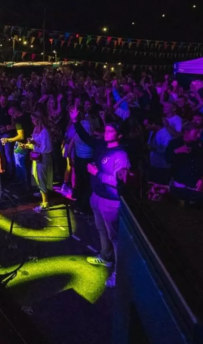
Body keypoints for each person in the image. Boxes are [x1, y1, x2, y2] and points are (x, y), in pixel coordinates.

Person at [71, 107, 129, 289]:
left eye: (111, 131)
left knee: (115, 238)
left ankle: (119, 275)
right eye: (106, 129)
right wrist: (75, 121)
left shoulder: (121, 155)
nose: (107, 132)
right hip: (97, 196)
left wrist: (97, 173)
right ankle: (106, 257)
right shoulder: (101, 145)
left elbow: (120, 183)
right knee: (101, 229)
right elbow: (87, 138)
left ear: (119, 135)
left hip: (110, 201)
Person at [166, 123, 203, 207]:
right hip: (179, 181)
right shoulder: (175, 143)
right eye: (196, 133)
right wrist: (176, 151)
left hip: (195, 183)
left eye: (200, 133)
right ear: (186, 132)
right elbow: (167, 159)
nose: (199, 135)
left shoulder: (202, 145)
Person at [23, 111, 54, 212]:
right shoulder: (36, 129)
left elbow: (46, 148)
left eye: (33, 119)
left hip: (43, 157)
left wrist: (34, 142)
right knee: (37, 177)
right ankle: (42, 194)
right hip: (37, 156)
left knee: (42, 179)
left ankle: (45, 203)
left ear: (38, 119)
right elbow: (35, 144)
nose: (32, 121)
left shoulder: (44, 131)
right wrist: (26, 145)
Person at [1, 104, 33, 187]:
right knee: (26, 164)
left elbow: (21, 136)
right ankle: (27, 182)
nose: (11, 116)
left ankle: (23, 182)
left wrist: (8, 140)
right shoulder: (27, 115)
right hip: (29, 142)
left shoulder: (18, 121)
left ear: (15, 111)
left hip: (21, 144)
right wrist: (13, 127)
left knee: (20, 164)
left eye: (12, 114)